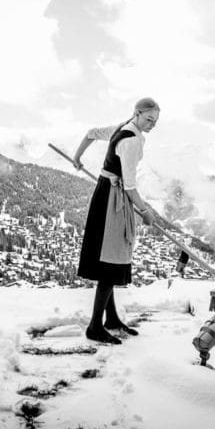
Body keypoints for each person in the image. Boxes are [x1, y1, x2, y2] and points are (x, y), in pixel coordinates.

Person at [72, 97, 161, 345]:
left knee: (112, 258)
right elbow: (131, 186)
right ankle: (94, 327)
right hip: (114, 197)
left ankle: (111, 319)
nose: (152, 124)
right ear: (137, 113)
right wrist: (145, 211)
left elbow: (91, 133)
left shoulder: (123, 128)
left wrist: (77, 157)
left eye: (155, 121)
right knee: (111, 261)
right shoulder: (130, 140)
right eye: (148, 119)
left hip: (108, 192)